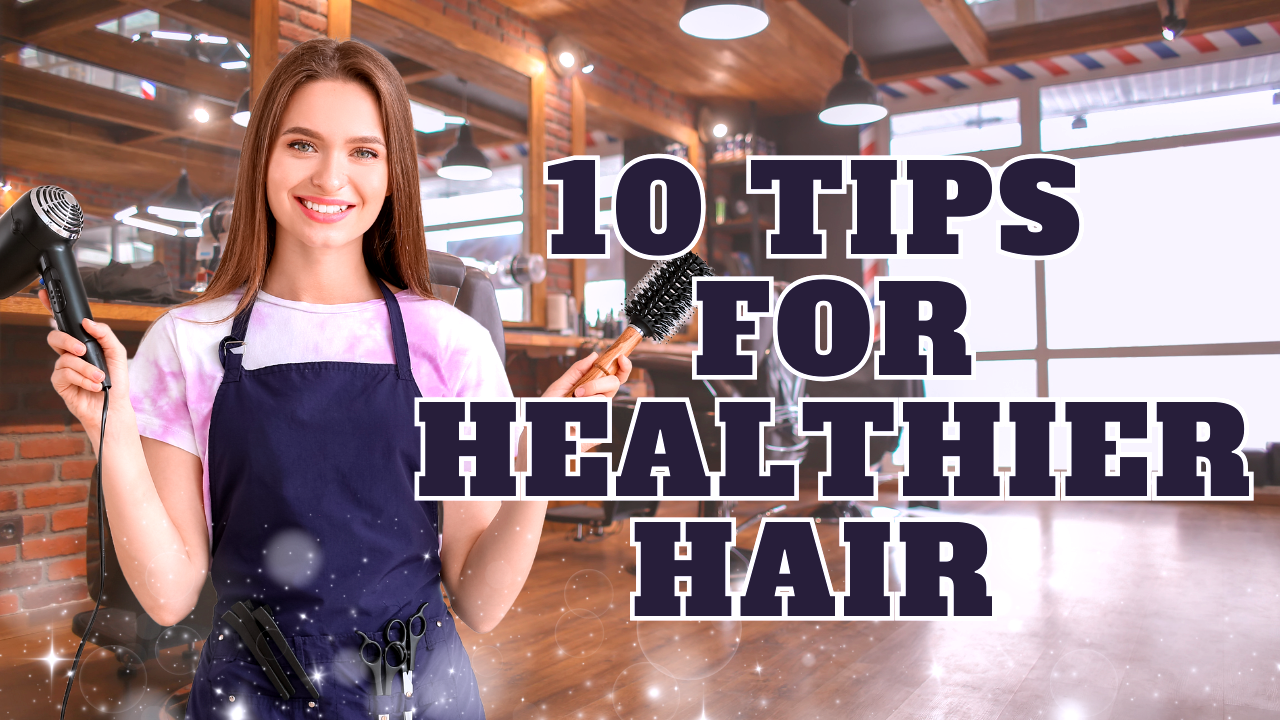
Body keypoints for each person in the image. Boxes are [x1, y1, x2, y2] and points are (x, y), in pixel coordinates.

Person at [42, 38, 630, 719]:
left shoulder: (452, 345)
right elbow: (169, 594)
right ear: (262, 155)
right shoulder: (186, 343)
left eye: (363, 150)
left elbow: (481, 599)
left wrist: (539, 466)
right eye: (301, 144)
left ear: (393, 171)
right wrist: (107, 433)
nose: (330, 177)